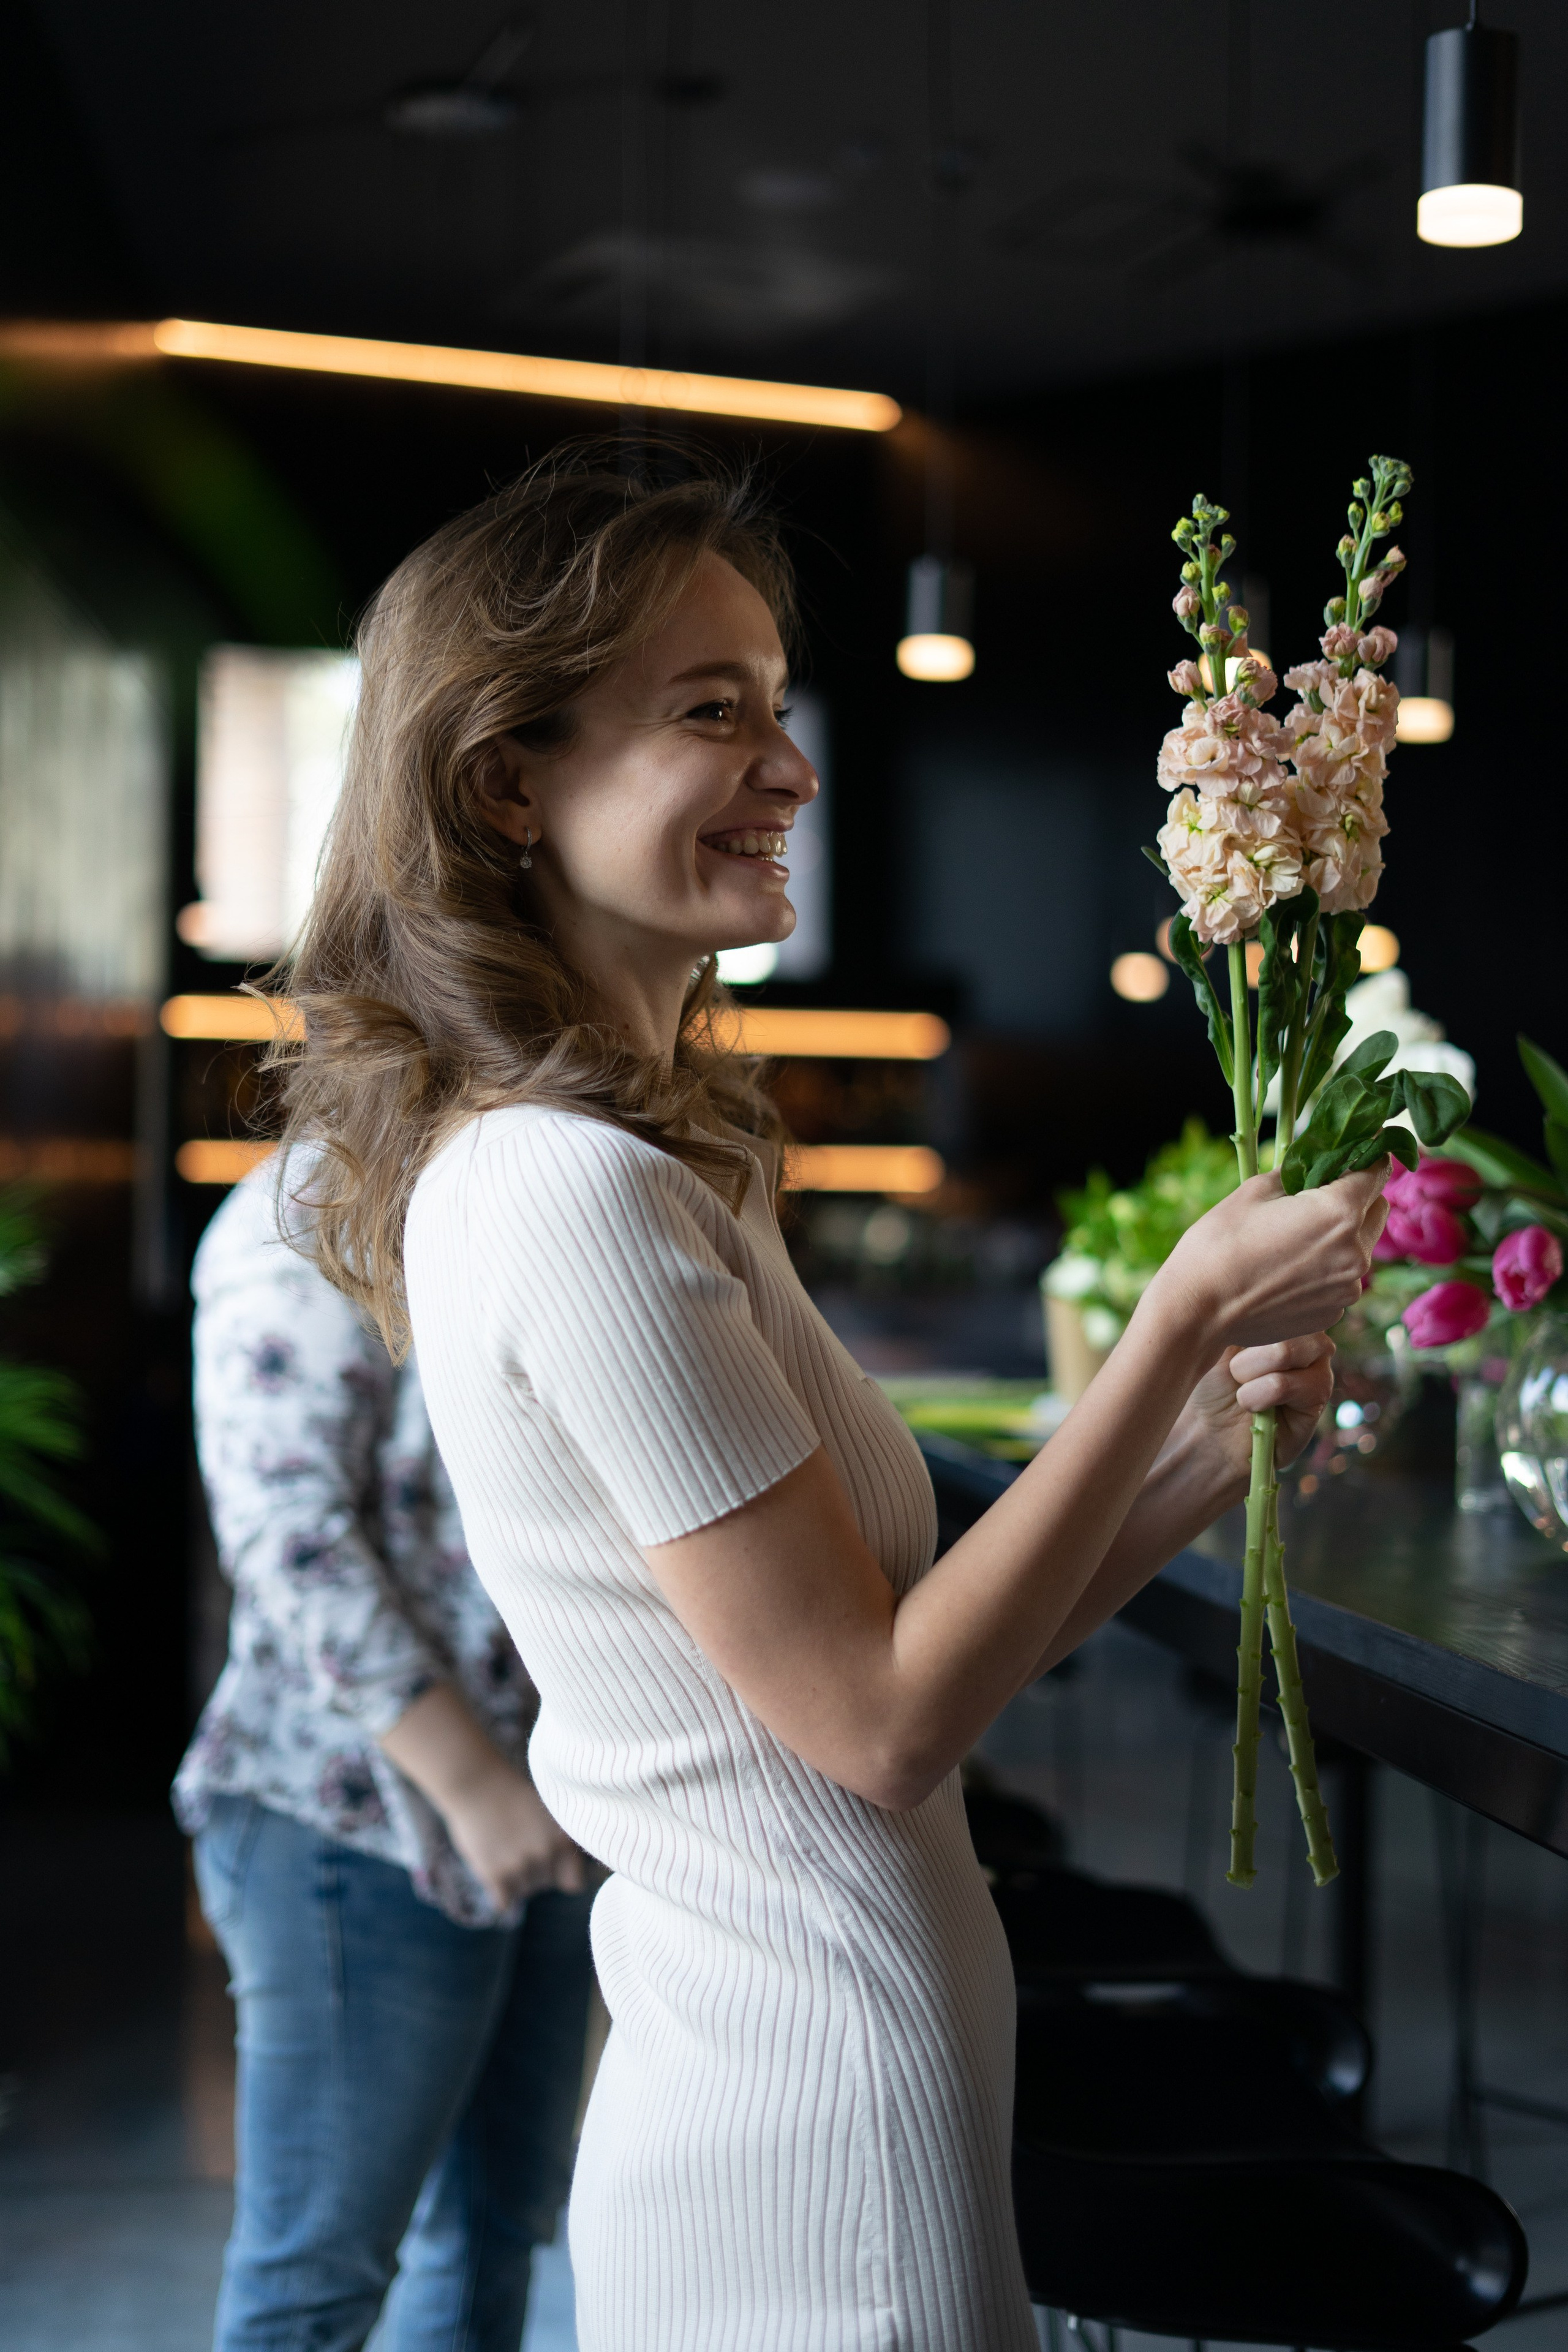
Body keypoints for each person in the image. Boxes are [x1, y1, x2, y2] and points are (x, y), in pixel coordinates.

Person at [263, 447, 1384, 2352]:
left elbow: (902, 1661)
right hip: (816, 2135)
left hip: (805, 2077)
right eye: (716, 715)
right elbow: (876, 1729)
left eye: (782, 713)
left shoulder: (633, 1160)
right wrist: (1174, 1318)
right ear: (505, 782)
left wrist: (1199, 1459)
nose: (791, 771)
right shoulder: (576, 1192)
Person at [173, 1159, 595, 2352]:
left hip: (549, 1795)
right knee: (318, 2279)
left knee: (495, 2233)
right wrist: (472, 1785)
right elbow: (287, 1531)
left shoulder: (502, 1183)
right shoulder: (302, 1209)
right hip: (353, 1821)